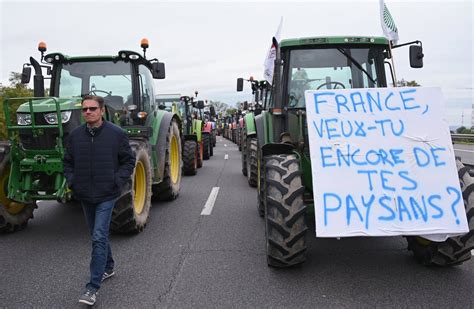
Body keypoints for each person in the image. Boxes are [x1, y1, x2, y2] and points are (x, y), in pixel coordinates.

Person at [63, 95, 135, 306]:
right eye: (84, 109)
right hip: (85, 194)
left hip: (107, 193)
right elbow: (68, 162)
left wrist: (117, 182)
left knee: (98, 236)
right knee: (97, 234)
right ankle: (109, 267)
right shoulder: (75, 136)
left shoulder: (117, 134)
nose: (88, 112)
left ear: (101, 111)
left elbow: (128, 161)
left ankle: (92, 288)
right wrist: (72, 181)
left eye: (92, 109)